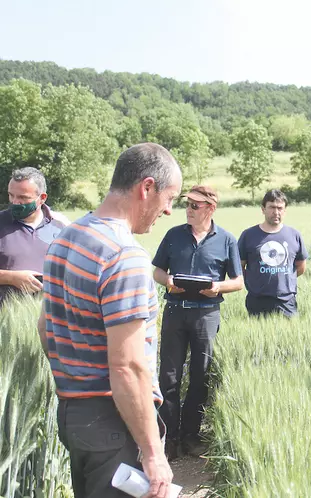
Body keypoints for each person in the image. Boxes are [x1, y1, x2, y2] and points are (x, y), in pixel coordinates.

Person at [39, 143, 182, 498]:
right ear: (146, 188)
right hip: (116, 421)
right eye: (169, 198)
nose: (167, 210)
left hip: (75, 414)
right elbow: (128, 367)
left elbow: (45, 327)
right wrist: (152, 453)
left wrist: (77, 376)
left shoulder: (67, 237)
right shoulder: (124, 255)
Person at [151, 185, 243, 460]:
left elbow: (238, 282)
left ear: (210, 208)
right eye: (187, 204)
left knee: (200, 376)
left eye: (195, 205)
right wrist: (167, 281)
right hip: (175, 311)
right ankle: (168, 439)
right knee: (168, 376)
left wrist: (217, 287)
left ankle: (191, 436)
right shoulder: (173, 235)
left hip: (207, 314)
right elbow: (157, 270)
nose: (188, 209)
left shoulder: (226, 240)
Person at [0, 167, 69, 307]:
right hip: (5, 320)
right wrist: (11, 278)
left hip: (49, 318)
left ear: (42, 198)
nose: (15, 202)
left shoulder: (62, 227)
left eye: (22, 197)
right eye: (11, 195)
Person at [238, 189, 308, 317]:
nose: (276, 212)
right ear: (263, 209)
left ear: (285, 210)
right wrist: (254, 281)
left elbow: (300, 266)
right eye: (271, 207)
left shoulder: (294, 235)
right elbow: (239, 266)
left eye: (280, 208)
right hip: (257, 300)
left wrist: (284, 279)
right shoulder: (248, 235)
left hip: (286, 300)